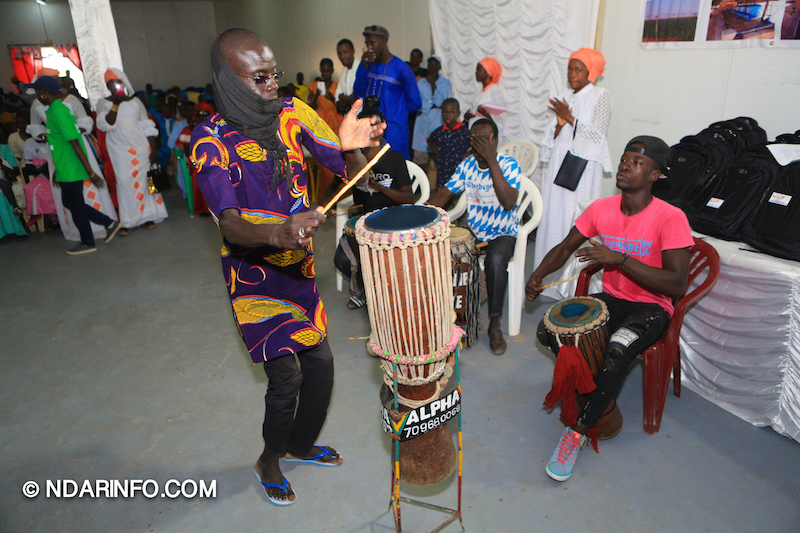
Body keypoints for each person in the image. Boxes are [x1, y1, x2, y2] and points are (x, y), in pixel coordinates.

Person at [190, 28, 385, 507]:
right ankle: (269, 460)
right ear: (230, 82)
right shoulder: (209, 140)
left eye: (273, 74)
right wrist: (275, 232)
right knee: (287, 378)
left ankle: (300, 445)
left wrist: (353, 147)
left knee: (321, 364)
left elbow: (349, 170)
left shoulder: (294, 114)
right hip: (253, 280)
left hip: (299, 274)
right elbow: (231, 225)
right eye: (259, 79)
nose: (272, 85)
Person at [526, 136, 693, 482]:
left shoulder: (670, 217)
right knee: (548, 329)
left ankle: (578, 431)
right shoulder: (601, 209)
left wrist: (620, 259)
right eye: (624, 159)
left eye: (637, 162)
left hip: (652, 307)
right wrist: (538, 275)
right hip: (614, 300)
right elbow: (565, 247)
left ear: (655, 175)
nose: (625, 165)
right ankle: (595, 394)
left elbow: (676, 285)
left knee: (617, 350)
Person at [428, 119, 521, 355]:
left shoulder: (509, 165)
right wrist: (419, 214)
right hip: (475, 231)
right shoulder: (467, 165)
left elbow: (509, 202)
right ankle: (452, 316)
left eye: (484, 139)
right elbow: (444, 194)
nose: (479, 144)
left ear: (495, 140)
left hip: (503, 232)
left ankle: (495, 324)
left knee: (496, 261)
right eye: (474, 139)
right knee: (443, 251)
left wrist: (491, 161)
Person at [533, 48, 613, 296]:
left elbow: (597, 136)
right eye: (570, 68)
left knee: (575, 220)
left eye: (578, 69)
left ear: (591, 71)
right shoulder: (564, 96)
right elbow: (552, 136)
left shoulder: (601, 95)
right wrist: (558, 125)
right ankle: (548, 281)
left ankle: (573, 286)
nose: (572, 74)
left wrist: (568, 116)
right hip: (559, 164)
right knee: (555, 217)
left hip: (582, 168)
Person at [333, 108, 415, 309]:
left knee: (384, 260)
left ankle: (382, 294)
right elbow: (338, 186)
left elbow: (409, 197)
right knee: (342, 258)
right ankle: (365, 289)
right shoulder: (353, 159)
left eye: (375, 125)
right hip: (365, 221)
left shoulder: (394, 159)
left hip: (393, 221)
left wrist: (377, 186)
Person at [30, 76, 120, 254]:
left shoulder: (59, 112)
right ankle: (108, 223)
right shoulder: (53, 111)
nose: (35, 94)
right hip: (64, 165)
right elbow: (60, 145)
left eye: (36, 91)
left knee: (75, 204)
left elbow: (75, 142)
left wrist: (91, 172)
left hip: (71, 166)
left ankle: (88, 242)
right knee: (70, 203)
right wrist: (56, 169)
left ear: (43, 93)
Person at [96, 68, 168, 235]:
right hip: (119, 147)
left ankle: (147, 216)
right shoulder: (103, 103)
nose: (114, 86)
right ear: (107, 86)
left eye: (117, 83)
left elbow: (146, 124)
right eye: (110, 84)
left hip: (140, 144)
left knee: (144, 180)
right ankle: (128, 220)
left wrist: (153, 149)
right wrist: (115, 104)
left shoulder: (136, 101)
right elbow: (106, 124)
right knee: (124, 181)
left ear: (123, 83)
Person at [353, 24, 422, 160]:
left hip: (394, 132)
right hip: (371, 129)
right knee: (373, 172)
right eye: (367, 43)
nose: (369, 47)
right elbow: (357, 95)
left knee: (397, 171)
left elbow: (416, 102)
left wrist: (396, 113)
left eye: (373, 43)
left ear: (384, 41)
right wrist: (364, 66)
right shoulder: (367, 65)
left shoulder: (401, 68)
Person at [308, 58, 343, 200]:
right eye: (323, 70)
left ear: (332, 71)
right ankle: (327, 199)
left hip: (336, 127)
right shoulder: (314, 85)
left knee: (339, 160)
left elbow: (342, 105)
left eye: (328, 70)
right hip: (321, 128)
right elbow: (310, 107)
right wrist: (317, 94)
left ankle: (341, 198)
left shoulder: (338, 85)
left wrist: (333, 99)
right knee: (325, 162)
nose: (325, 73)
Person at [411, 56, 450, 170]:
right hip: (422, 124)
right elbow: (418, 103)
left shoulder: (445, 83)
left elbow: (440, 102)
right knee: (420, 161)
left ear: (439, 67)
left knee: (437, 161)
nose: (431, 68)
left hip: (437, 123)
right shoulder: (420, 83)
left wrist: (433, 85)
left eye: (434, 65)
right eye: (429, 65)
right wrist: (430, 105)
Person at [427, 98, 470, 189]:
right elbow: (430, 140)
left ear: (458, 113)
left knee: (458, 198)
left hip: (459, 172)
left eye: (451, 113)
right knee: (442, 194)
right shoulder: (439, 131)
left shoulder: (464, 132)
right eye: (444, 113)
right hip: (443, 172)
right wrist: (437, 152)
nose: (447, 116)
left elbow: (474, 145)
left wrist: (467, 154)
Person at [464, 57, 506, 136]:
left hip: (487, 136)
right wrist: (468, 117)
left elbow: (501, 120)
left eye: (479, 69)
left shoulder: (495, 92)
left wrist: (485, 114)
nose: (476, 72)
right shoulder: (479, 92)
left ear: (488, 72)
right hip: (476, 133)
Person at [333, 39, 357, 116]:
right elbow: (337, 98)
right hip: (348, 118)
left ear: (353, 51)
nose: (342, 56)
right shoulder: (344, 70)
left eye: (345, 52)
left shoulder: (361, 69)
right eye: (339, 53)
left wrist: (343, 98)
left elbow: (356, 98)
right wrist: (347, 99)